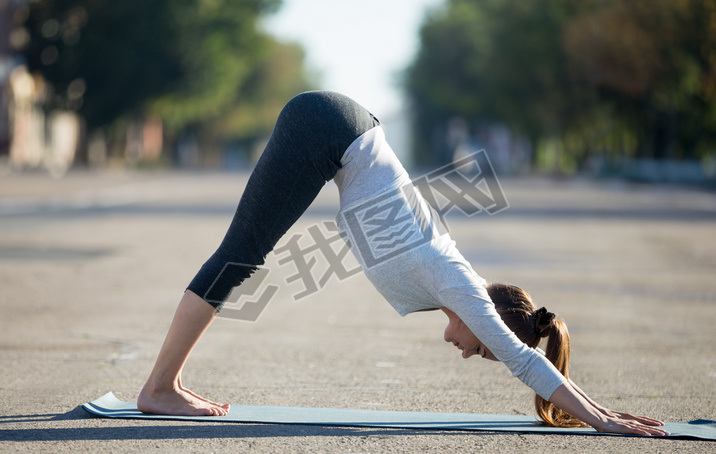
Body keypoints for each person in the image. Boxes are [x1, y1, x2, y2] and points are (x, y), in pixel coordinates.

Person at [137, 91, 667, 436]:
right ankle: (160, 389)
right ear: (487, 322)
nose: (465, 353)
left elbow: (518, 351)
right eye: (478, 347)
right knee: (241, 257)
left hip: (338, 127)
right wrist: (602, 419)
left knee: (243, 256)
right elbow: (523, 361)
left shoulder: (450, 276)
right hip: (330, 130)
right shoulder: (461, 286)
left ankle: (166, 386)